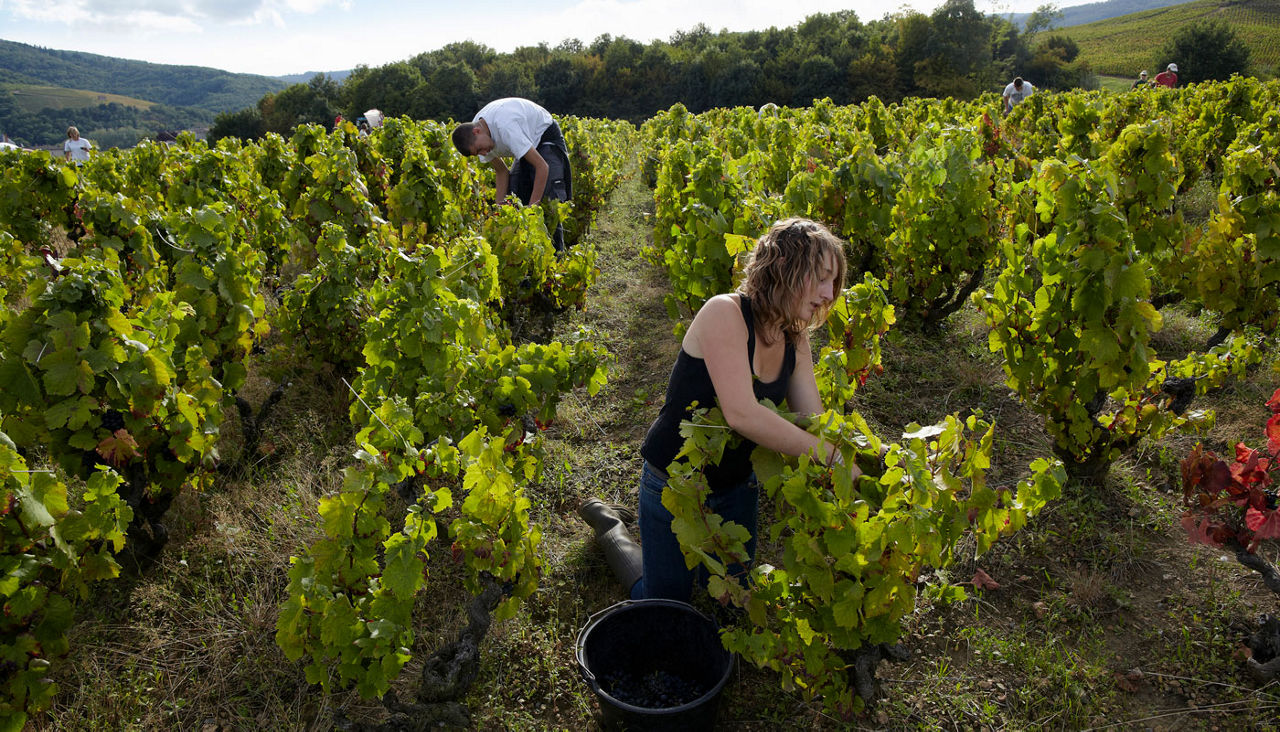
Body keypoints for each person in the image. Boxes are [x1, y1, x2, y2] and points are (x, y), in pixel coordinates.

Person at [579, 218, 861, 602]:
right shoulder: (724, 313)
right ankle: (610, 526)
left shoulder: (795, 338)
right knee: (664, 602)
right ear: (785, 267)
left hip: (735, 486)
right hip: (674, 482)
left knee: (734, 598)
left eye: (835, 282)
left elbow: (814, 421)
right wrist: (830, 458)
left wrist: (866, 455)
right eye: (822, 278)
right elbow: (741, 413)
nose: (830, 294)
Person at [451, 97, 572, 249]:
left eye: (480, 149)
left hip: (544, 135)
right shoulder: (478, 137)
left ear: (477, 131)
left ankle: (556, 257)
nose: (483, 153)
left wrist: (531, 212)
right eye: (478, 153)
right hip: (526, 143)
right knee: (515, 198)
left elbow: (543, 167)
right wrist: (498, 211)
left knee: (548, 201)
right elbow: (502, 172)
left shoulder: (505, 127)